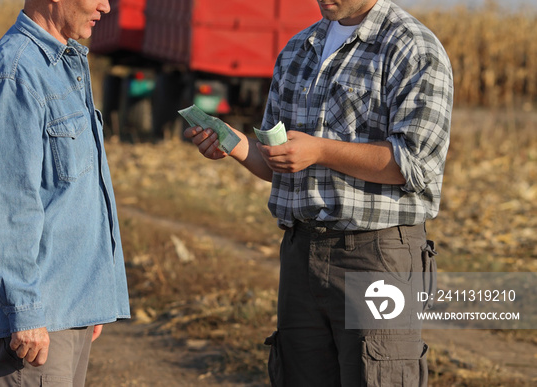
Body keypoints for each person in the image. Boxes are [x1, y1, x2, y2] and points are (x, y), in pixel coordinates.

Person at [184, 0, 452, 385]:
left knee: (379, 375)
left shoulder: (411, 47)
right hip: (301, 255)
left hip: (377, 257)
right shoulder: (298, 48)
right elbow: (279, 165)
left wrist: (320, 150)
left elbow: (414, 165)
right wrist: (234, 144)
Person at [0, 0, 130, 385]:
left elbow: (68, 196)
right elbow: (6, 207)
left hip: (69, 310)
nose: (106, 5)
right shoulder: (13, 75)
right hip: (36, 326)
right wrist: (24, 311)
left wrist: (90, 298)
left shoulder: (63, 66)